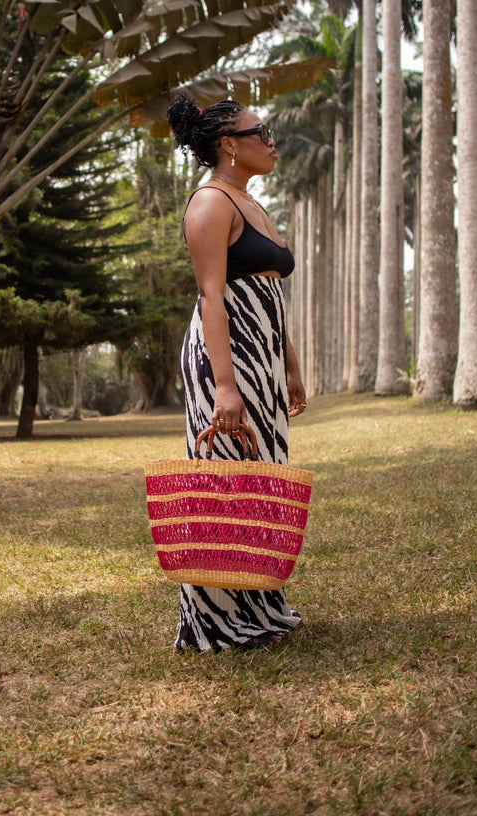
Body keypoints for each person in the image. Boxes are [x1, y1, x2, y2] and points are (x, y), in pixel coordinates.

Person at [166, 92, 308, 652]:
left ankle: (258, 604)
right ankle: (215, 620)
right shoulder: (210, 204)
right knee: (224, 479)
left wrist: (290, 367)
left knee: (261, 477)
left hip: (264, 353)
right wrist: (225, 385)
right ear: (229, 144)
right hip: (226, 356)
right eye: (260, 130)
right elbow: (212, 297)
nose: (271, 140)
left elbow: (267, 291)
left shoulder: (250, 202)